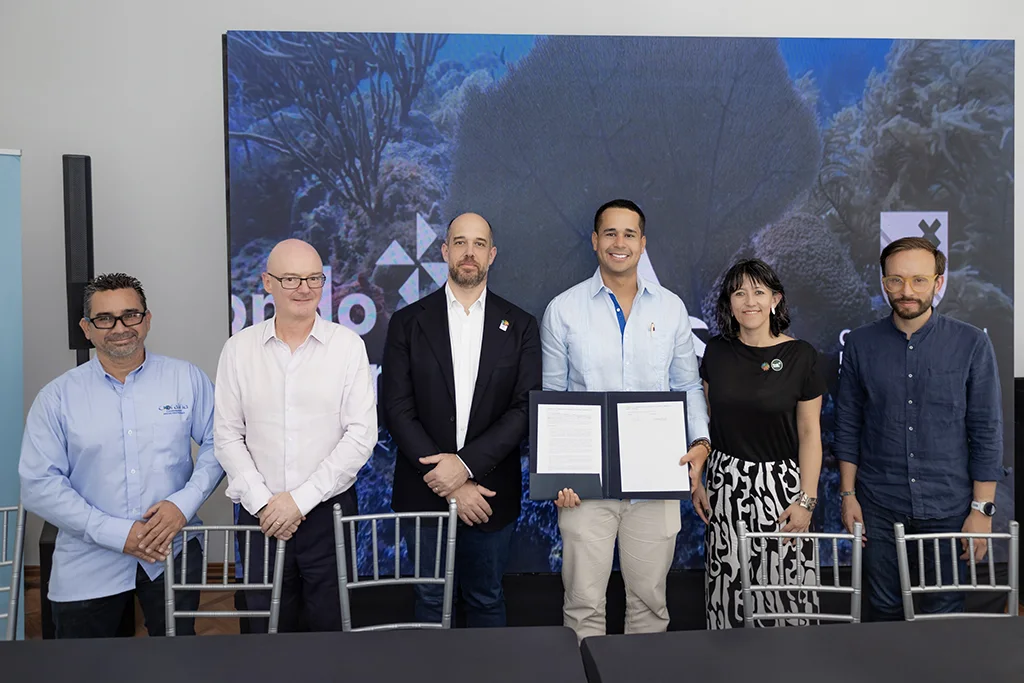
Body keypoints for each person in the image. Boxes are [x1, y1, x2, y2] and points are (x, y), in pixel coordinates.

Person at [540, 199, 711, 640]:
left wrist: (700, 443)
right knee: (582, 604)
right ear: (595, 241)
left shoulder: (670, 309)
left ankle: (643, 673)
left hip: (656, 480)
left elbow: (688, 385)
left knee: (651, 604)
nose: (620, 242)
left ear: (643, 242)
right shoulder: (563, 309)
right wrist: (558, 475)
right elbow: (554, 399)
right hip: (585, 488)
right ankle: (585, 671)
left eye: (629, 234)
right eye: (610, 233)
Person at [19, 273, 223, 638]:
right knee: (86, 663)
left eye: (130, 315)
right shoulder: (56, 398)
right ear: (87, 328)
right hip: (87, 560)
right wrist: (116, 533)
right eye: (105, 319)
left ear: (147, 319)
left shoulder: (186, 378)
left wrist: (183, 505)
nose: (120, 327)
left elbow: (220, 443)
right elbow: (38, 485)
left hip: (172, 550)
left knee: (178, 659)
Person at [383, 212, 541, 627]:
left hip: (489, 495)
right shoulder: (407, 323)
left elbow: (524, 409)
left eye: (478, 244)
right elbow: (397, 409)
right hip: (424, 490)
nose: (469, 252)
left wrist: (465, 467)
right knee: (430, 599)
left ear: (492, 255)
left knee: (486, 598)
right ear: (444, 251)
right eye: (459, 242)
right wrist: (451, 482)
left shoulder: (521, 326)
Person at [213, 238, 377, 632]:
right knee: (266, 630)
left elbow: (360, 436)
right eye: (291, 279)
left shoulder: (347, 346)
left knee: (331, 628)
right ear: (267, 282)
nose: (304, 288)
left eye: (313, 278)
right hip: (260, 516)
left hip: (329, 513)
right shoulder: (238, 350)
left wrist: (299, 502)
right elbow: (227, 436)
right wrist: (265, 503)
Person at [835, 237, 1002, 620]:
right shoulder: (860, 344)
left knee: (943, 613)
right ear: (883, 282)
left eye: (919, 280)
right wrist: (847, 495)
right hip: (877, 506)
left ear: (938, 282)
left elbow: (986, 429)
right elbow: (848, 424)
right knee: (883, 611)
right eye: (895, 280)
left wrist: (982, 510)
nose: (906, 291)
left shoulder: (972, 344)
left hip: (949, 506)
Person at [690, 259, 824, 628]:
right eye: (739, 293)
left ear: (775, 300)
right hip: (725, 486)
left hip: (782, 490)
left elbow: (810, 433)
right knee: (728, 592)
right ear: (729, 303)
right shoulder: (716, 352)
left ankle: (791, 659)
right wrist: (699, 482)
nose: (750, 301)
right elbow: (707, 420)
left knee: (786, 594)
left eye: (759, 292)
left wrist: (807, 500)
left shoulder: (801, 356)